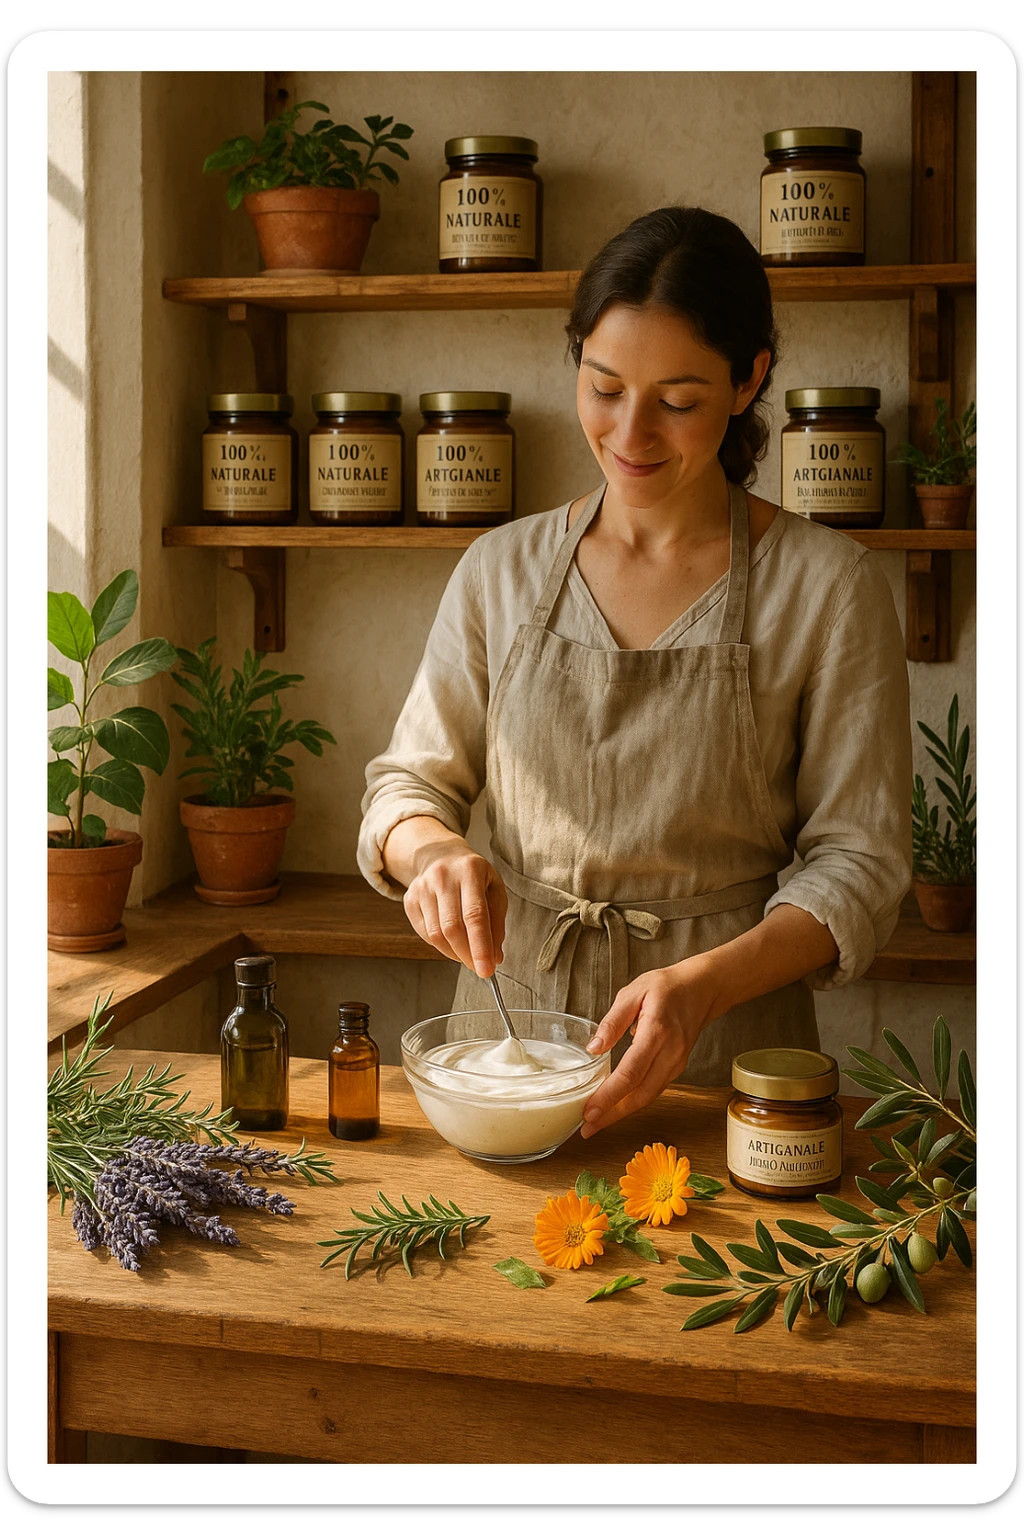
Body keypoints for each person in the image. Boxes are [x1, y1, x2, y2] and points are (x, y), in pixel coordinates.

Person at [358, 205, 911, 1138]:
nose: (631, 431)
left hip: (729, 1056)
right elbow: (406, 787)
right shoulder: (501, 571)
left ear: (749, 382)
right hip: (506, 1044)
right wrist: (435, 853)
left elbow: (860, 862)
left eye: (679, 400)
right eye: (604, 386)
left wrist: (704, 985)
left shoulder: (829, 588)